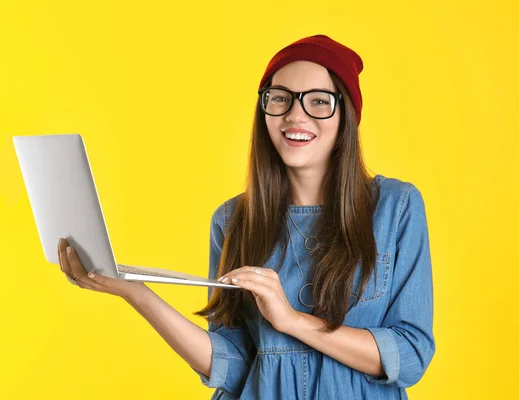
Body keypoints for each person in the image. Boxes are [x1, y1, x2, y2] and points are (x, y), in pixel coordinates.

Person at [57, 34, 435, 399]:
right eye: (280, 99)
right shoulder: (232, 219)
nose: (295, 115)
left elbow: (411, 354)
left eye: (319, 101)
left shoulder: (395, 208)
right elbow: (233, 366)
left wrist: (291, 321)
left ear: (346, 115)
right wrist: (136, 294)